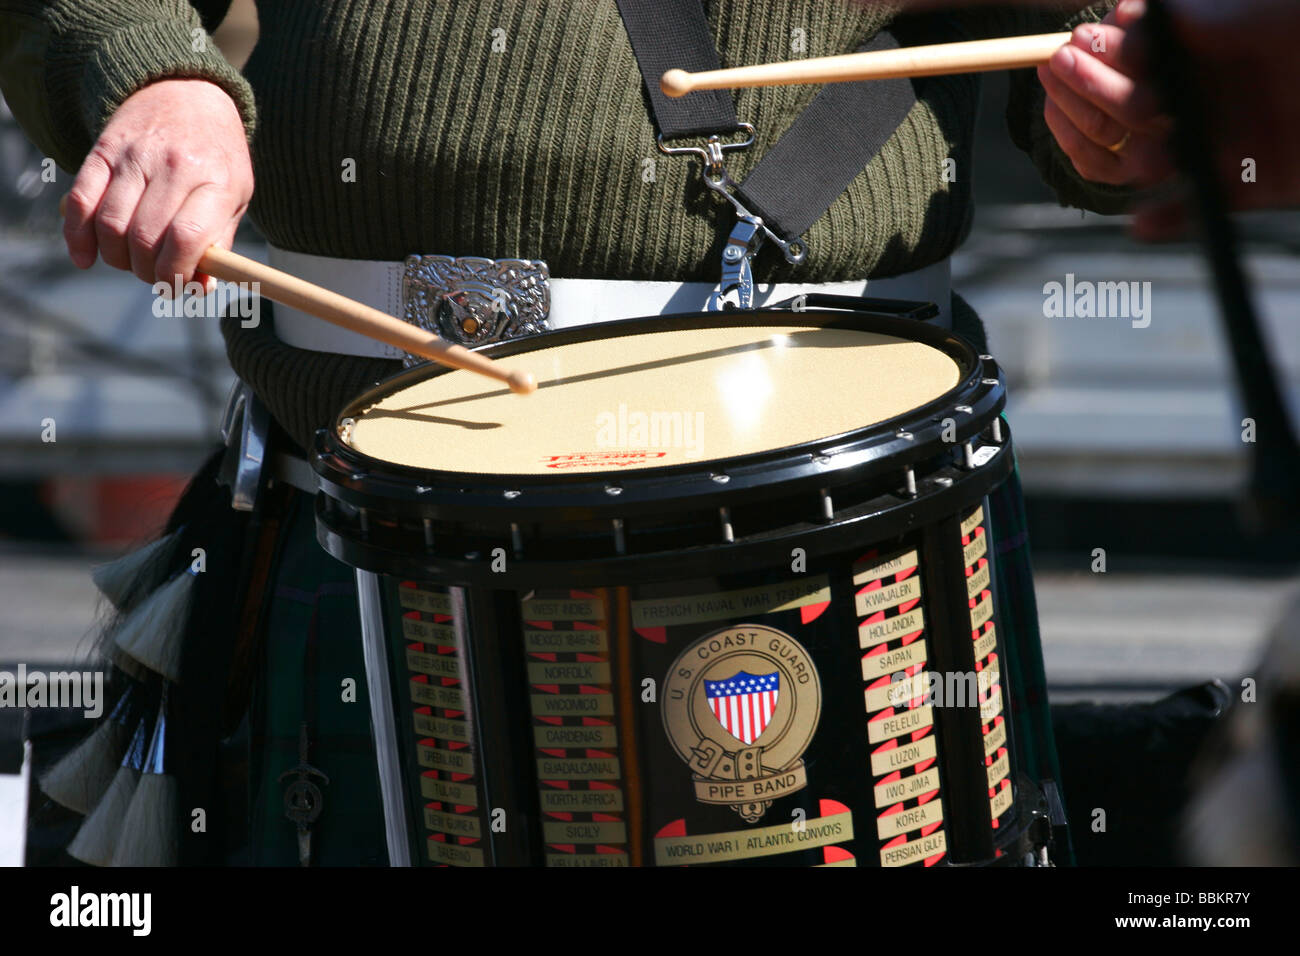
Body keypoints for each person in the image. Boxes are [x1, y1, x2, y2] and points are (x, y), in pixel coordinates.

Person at [2, 0, 1143, 866]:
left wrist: (1131, 97)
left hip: (876, 514)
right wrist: (151, 73)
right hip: (374, 525)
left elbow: (1118, 60)